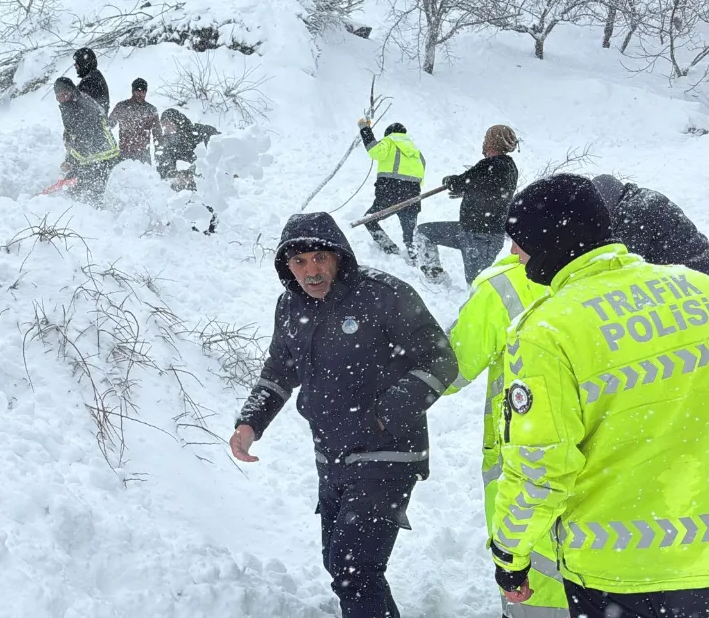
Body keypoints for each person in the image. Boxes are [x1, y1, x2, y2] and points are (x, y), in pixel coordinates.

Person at [494, 174, 709, 618]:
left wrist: (509, 556)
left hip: (621, 569)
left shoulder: (548, 333)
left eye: (519, 240)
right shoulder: (697, 289)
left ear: (550, 240)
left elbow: (540, 468)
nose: (514, 253)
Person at [230, 211, 457, 618]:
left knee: (357, 570)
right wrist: (250, 422)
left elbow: (441, 360)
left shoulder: (384, 295)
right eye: (299, 262)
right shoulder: (289, 306)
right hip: (331, 457)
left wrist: (387, 412)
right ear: (287, 267)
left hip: (388, 454)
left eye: (319, 258)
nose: (311, 271)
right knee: (340, 565)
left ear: (338, 257)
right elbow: (279, 370)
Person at [446, 247, 564, 618]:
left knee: (536, 576)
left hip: (523, 458)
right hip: (616, 470)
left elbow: (450, 368)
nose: (511, 248)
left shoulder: (504, 288)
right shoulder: (629, 284)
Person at [416, 124, 519, 284]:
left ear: (492, 142)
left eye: (486, 139)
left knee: (476, 286)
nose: (484, 143)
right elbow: (492, 191)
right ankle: (436, 278)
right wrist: (470, 191)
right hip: (479, 232)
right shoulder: (510, 167)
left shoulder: (489, 165)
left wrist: (449, 180)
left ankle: (439, 281)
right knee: (425, 232)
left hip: (479, 235)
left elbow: (459, 182)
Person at [591, 174, 709, 275]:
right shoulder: (644, 198)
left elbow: (624, 260)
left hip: (690, 272)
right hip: (698, 261)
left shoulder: (632, 213)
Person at [357, 121, 426, 258]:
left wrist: (365, 129)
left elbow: (374, 151)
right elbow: (422, 170)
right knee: (410, 233)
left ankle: (390, 248)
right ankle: (414, 256)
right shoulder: (416, 150)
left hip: (390, 191)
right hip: (413, 194)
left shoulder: (389, 140)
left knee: (369, 219)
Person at [54, 77, 120, 205]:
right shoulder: (70, 105)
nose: (62, 99)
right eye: (59, 97)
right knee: (77, 189)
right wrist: (70, 159)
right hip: (91, 157)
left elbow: (82, 138)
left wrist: (71, 160)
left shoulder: (83, 106)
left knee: (93, 193)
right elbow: (70, 133)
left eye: (64, 94)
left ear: (72, 91)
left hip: (103, 157)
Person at [154, 108, 219, 190]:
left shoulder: (198, 132)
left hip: (206, 177)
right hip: (184, 187)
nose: (166, 128)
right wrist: (174, 174)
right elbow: (163, 166)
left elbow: (218, 143)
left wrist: (191, 172)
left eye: (168, 123)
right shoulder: (168, 143)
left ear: (176, 121)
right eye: (163, 125)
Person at [107, 78, 159, 163]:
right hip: (124, 154)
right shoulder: (122, 106)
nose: (140, 94)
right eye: (138, 91)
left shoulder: (151, 110)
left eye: (143, 91)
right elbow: (109, 125)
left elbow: (157, 134)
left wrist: (159, 153)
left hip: (143, 155)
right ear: (133, 91)